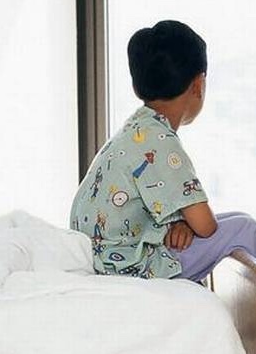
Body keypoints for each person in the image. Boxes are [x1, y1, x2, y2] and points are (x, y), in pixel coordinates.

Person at [70, 20, 256, 282]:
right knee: (243, 227)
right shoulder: (161, 143)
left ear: (136, 86)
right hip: (132, 266)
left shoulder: (136, 129)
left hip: (109, 257)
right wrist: (190, 223)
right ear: (198, 84)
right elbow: (206, 226)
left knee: (239, 217)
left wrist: (181, 223)